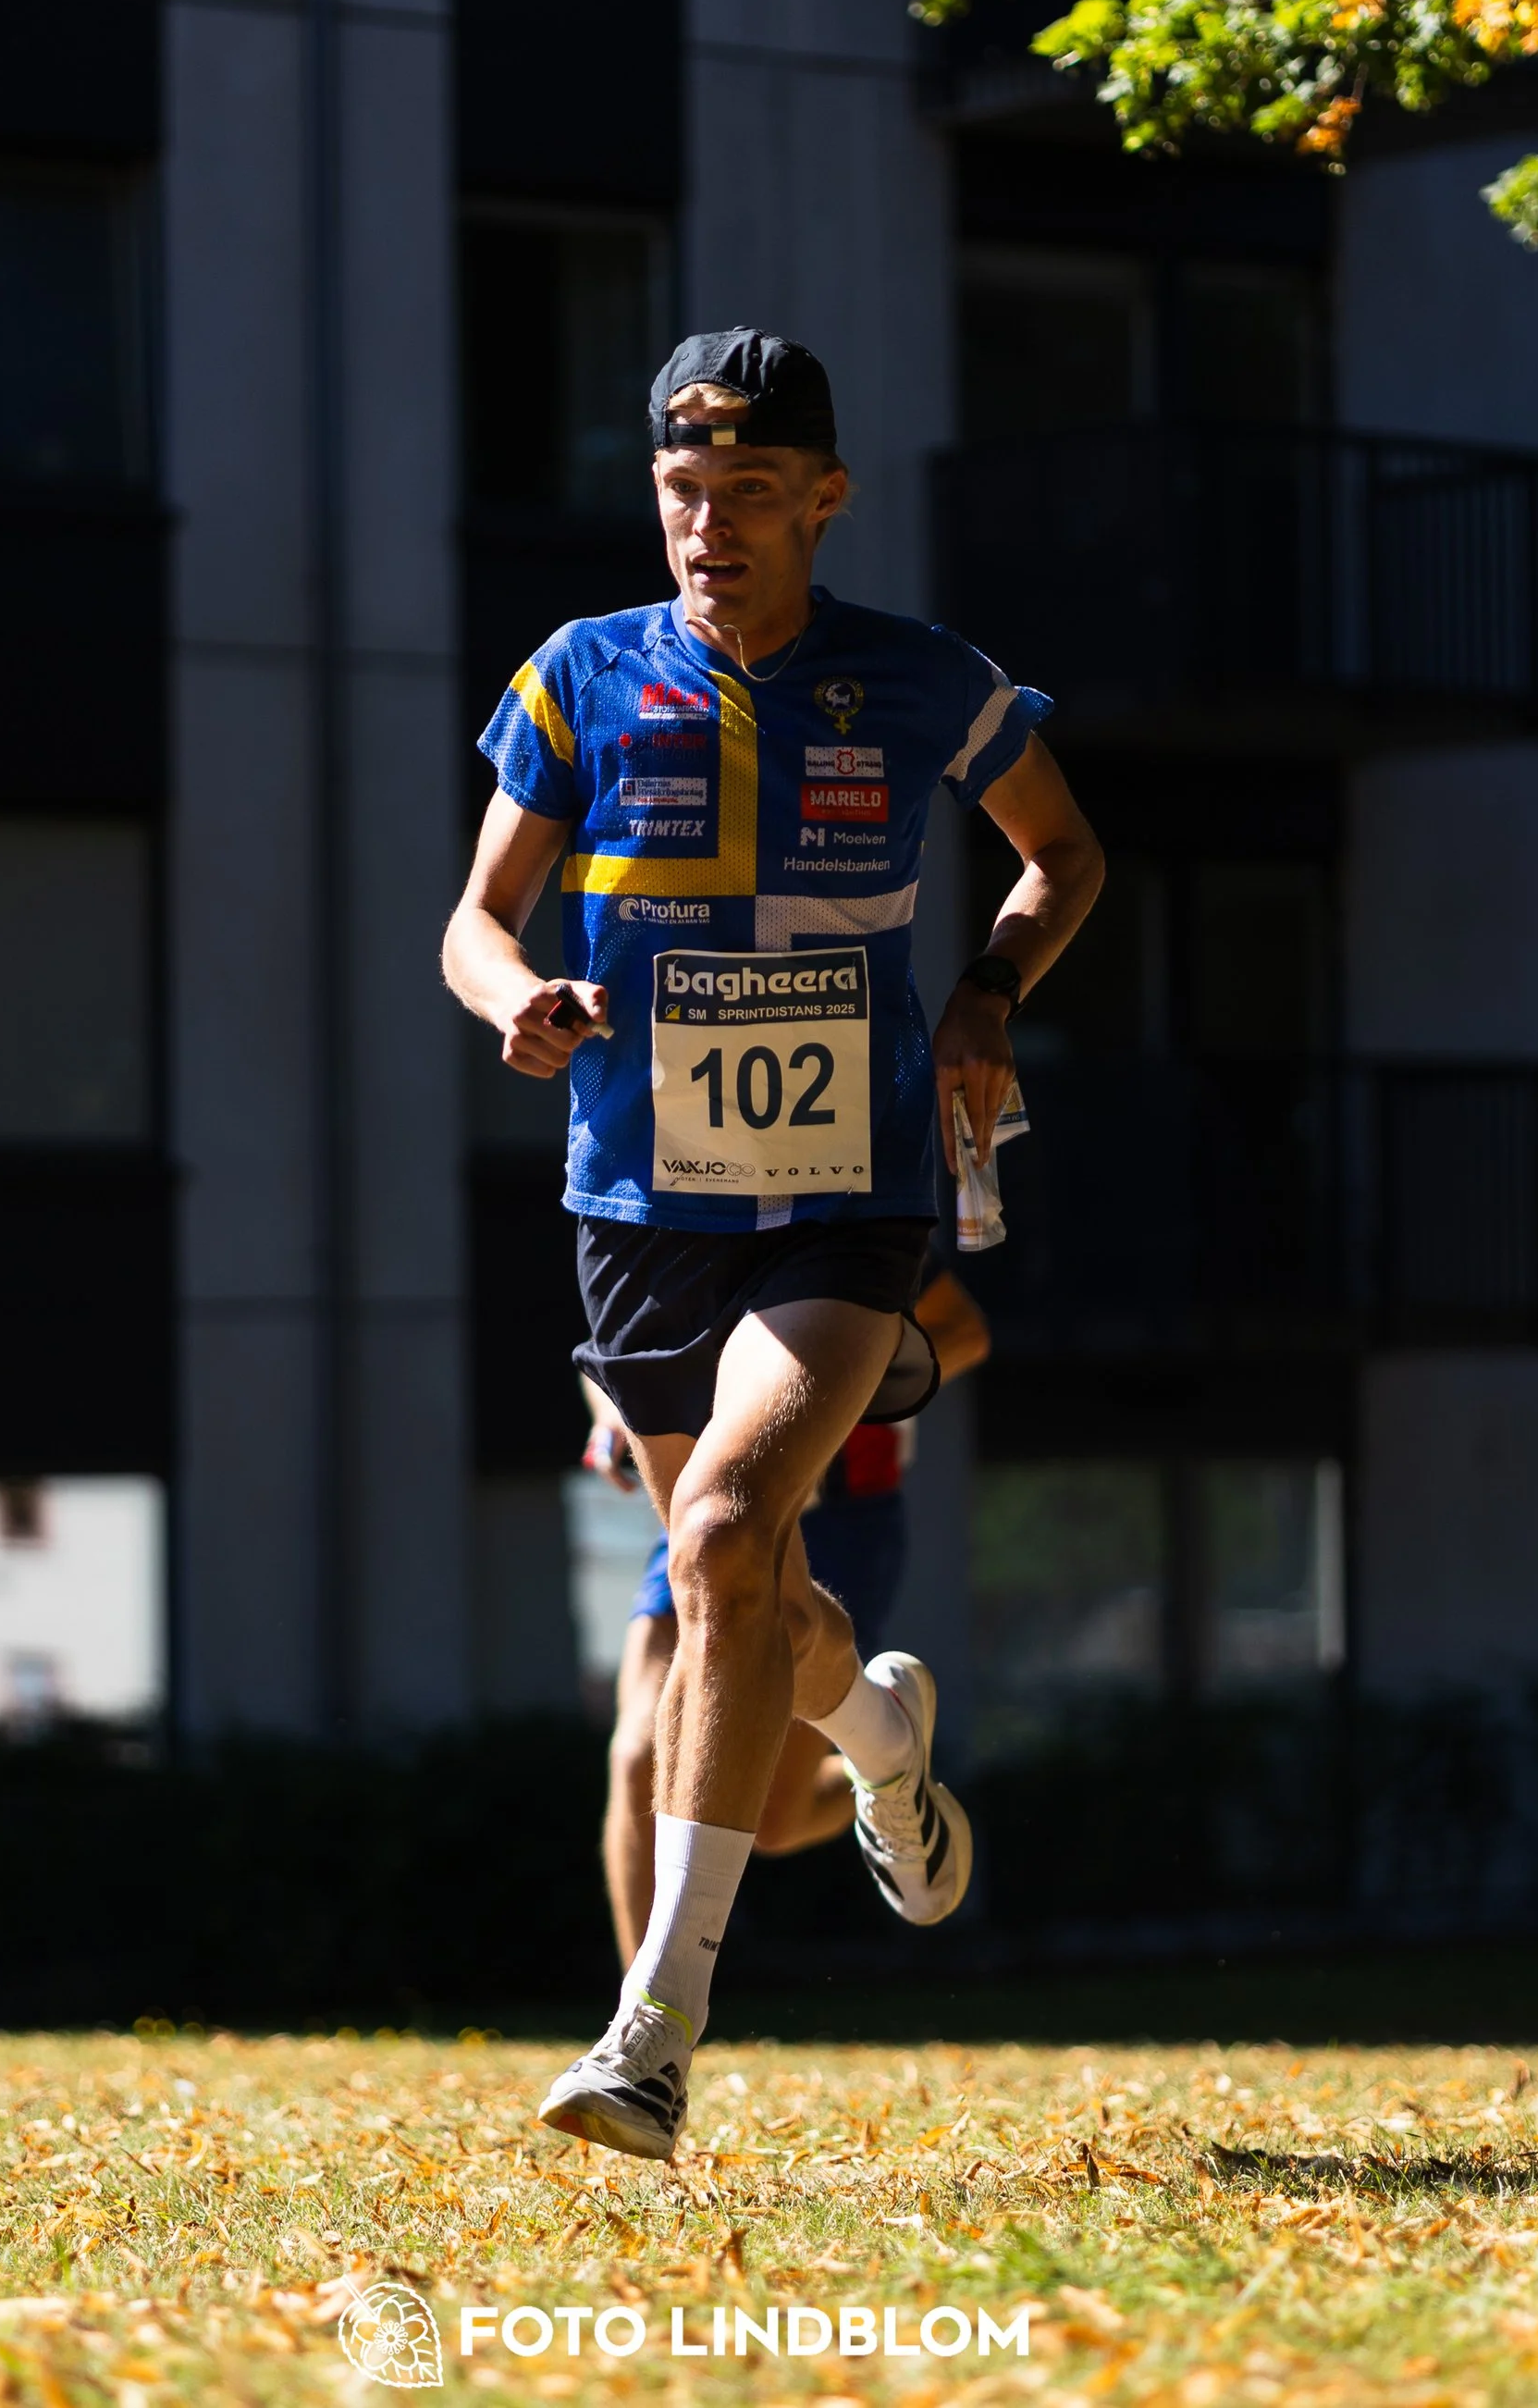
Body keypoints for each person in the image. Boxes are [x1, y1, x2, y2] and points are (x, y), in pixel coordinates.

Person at [441, 327, 1103, 2159]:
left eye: (745, 494)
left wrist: (982, 988)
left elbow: (1061, 854)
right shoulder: (577, 679)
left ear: (822, 498)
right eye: (679, 494)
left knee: (727, 1535)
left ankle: (653, 2028)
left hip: (846, 1194)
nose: (707, 526)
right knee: (763, 1601)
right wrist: (513, 999)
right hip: (635, 1203)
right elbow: (472, 921)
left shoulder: (921, 680)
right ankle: (880, 1732)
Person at [594, 1260, 992, 1962]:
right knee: (637, 1755)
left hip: (840, 1510)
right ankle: (637, 2032)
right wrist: (611, 1425)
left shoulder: (831, 1199)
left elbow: (962, 1332)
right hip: (700, 1509)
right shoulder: (651, 1203)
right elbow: (609, 1352)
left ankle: (885, 1755)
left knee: (773, 1820)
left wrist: (803, 1404)